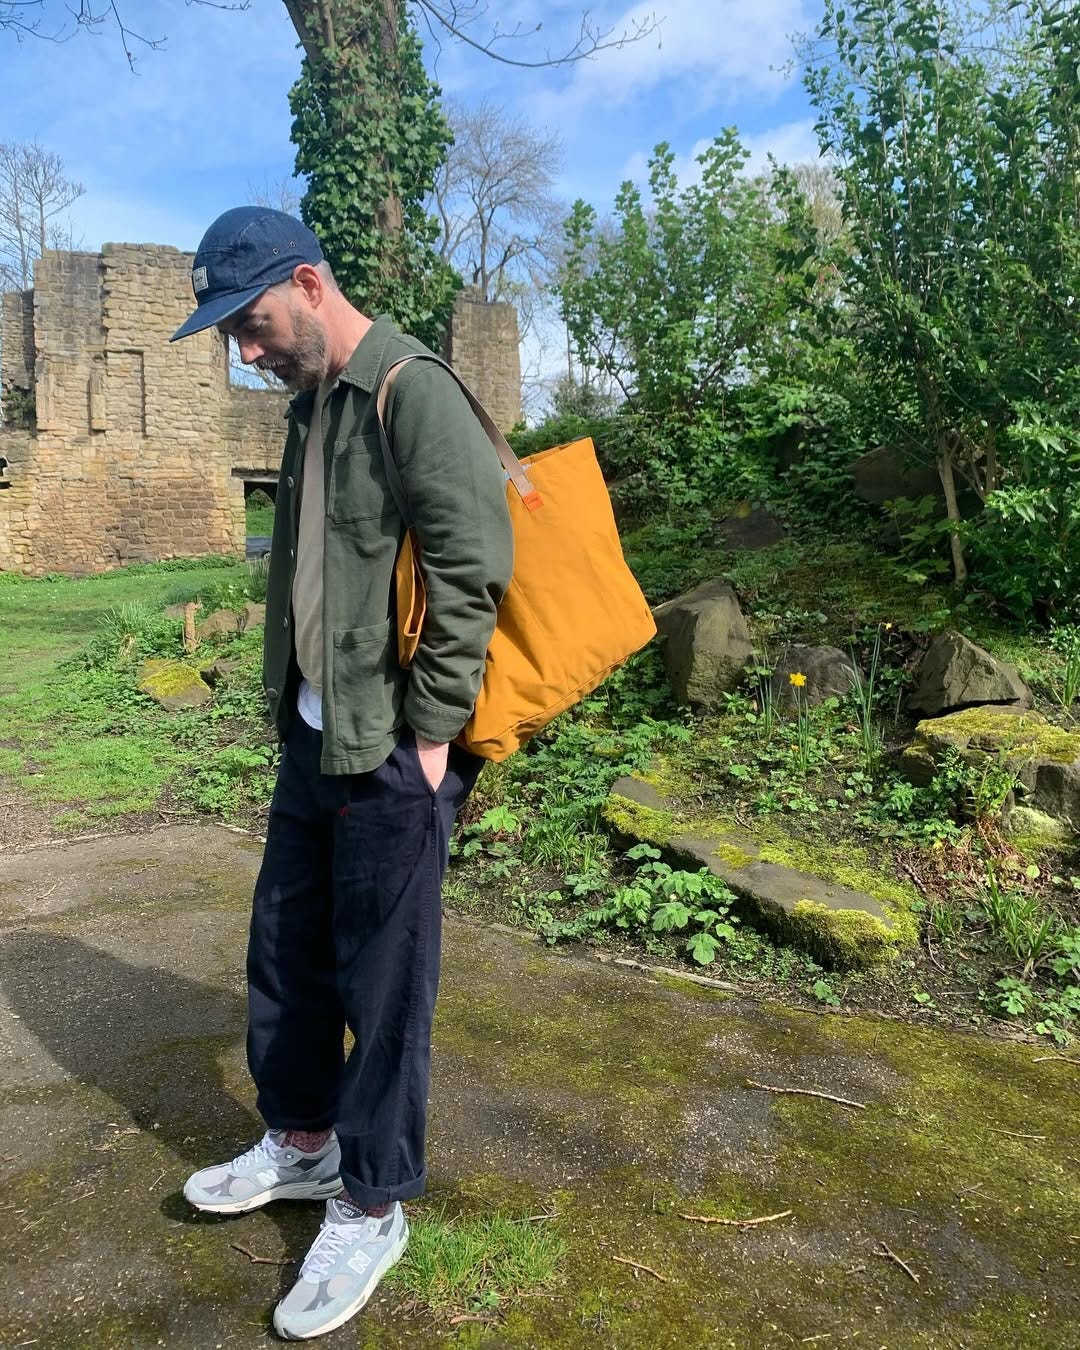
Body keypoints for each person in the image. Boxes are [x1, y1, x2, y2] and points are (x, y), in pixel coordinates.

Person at [170, 207, 513, 1340]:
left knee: (384, 985)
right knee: (287, 949)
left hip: (392, 750)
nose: (246, 355)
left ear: (308, 285)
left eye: (255, 327)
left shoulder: (410, 389)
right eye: (231, 338)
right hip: (316, 735)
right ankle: (304, 1143)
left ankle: (373, 1200)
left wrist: (430, 737)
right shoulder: (312, 406)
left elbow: (473, 568)